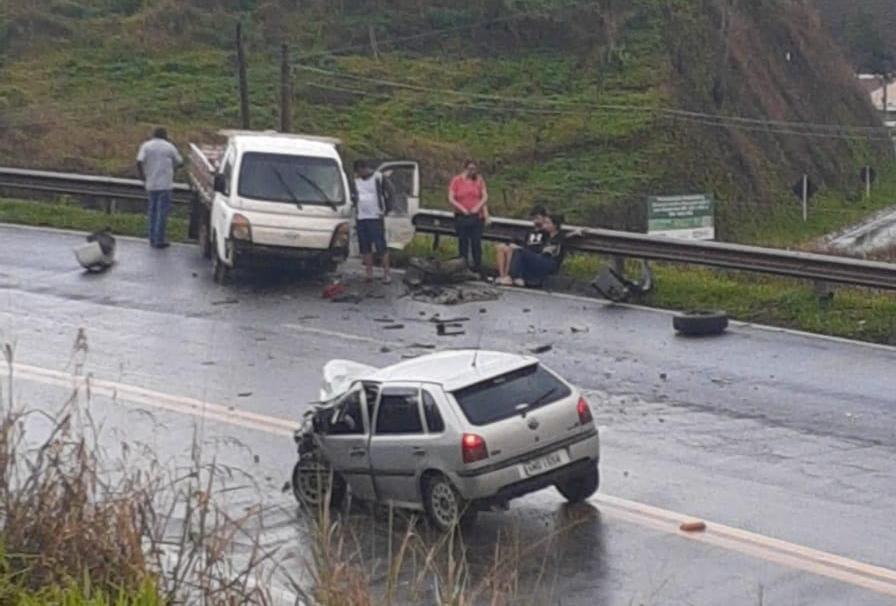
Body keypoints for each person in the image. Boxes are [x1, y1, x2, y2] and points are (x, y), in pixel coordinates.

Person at [137, 127, 183, 249]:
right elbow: (180, 162)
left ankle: (152, 237)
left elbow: (139, 161)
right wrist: (173, 170)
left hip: (151, 183)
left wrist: (143, 177)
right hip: (165, 184)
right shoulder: (169, 147)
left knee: (152, 211)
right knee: (161, 213)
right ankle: (159, 239)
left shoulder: (146, 146)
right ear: (165, 135)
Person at [353, 159, 394, 284]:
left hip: (375, 217)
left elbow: (391, 192)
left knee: (380, 246)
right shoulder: (356, 181)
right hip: (361, 217)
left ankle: (386, 274)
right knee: (365, 247)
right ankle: (368, 273)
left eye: (359, 171)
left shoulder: (378, 178)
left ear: (362, 168)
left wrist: (386, 210)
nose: (358, 174)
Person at [448, 160, 489, 273]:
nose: (472, 172)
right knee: (463, 241)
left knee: (476, 241)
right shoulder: (457, 180)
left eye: (474, 169)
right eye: (470, 169)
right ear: (465, 168)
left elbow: (484, 196)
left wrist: (478, 207)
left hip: (476, 216)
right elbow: (451, 198)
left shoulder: (479, 180)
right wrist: (462, 208)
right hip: (462, 215)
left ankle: (477, 266)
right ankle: (463, 265)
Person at [495, 204, 548, 286]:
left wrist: (519, 248)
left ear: (544, 218)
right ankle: (502, 276)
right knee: (502, 247)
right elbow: (525, 243)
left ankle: (509, 276)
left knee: (513, 250)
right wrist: (511, 244)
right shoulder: (531, 231)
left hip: (532, 255)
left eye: (538, 218)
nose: (535, 221)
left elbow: (539, 248)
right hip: (525, 250)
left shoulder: (546, 232)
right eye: (534, 219)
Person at [509, 212, 565, 287]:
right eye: (545, 223)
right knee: (518, 251)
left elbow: (548, 250)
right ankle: (519, 278)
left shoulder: (559, 236)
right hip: (541, 258)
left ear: (555, 225)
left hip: (550, 263)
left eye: (548, 223)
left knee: (520, 251)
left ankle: (516, 277)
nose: (545, 225)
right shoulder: (546, 235)